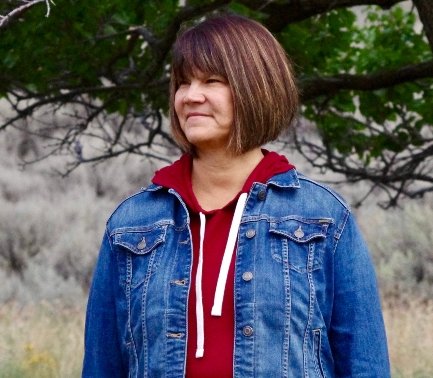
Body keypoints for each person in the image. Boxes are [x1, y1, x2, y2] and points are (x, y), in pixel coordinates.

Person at [82, 14, 390, 378]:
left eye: (211, 80)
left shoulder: (322, 218)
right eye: (183, 82)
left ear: (256, 88)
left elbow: (365, 366)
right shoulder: (132, 225)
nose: (191, 96)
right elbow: (102, 367)